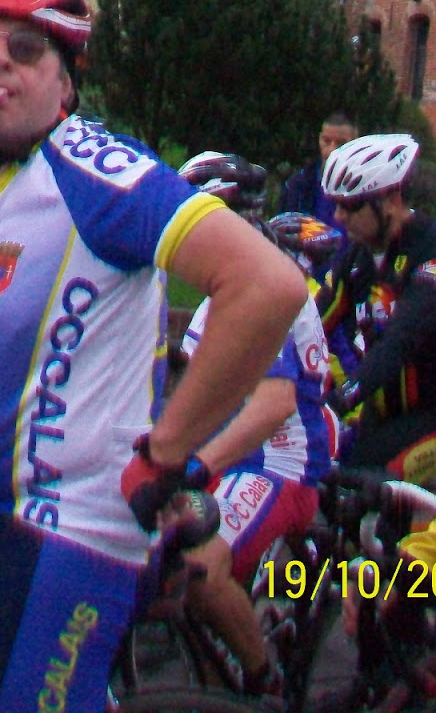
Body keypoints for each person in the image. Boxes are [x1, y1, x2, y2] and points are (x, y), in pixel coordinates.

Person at [0, 0, 308, 713]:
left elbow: (268, 286)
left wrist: (167, 453)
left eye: (27, 49)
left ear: (66, 85)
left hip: (70, 536)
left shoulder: (96, 173)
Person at [175, 151, 334, 698]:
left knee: (199, 567)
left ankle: (265, 685)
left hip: (278, 464)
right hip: (236, 456)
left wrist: (196, 465)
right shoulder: (225, 283)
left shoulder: (262, 283)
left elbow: (273, 406)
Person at [316, 133, 436, 481]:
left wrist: (343, 398)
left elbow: (402, 338)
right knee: (322, 469)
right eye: (335, 204)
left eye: (351, 205)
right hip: (383, 412)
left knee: (361, 487)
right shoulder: (359, 256)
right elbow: (314, 318)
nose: (339, 215)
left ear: (391, 201)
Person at [279, 110, 357, 227]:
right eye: (326, 141)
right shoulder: (297, 186)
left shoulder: (368, 188)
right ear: (319, 138)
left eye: (341, 143)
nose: (332, 150)